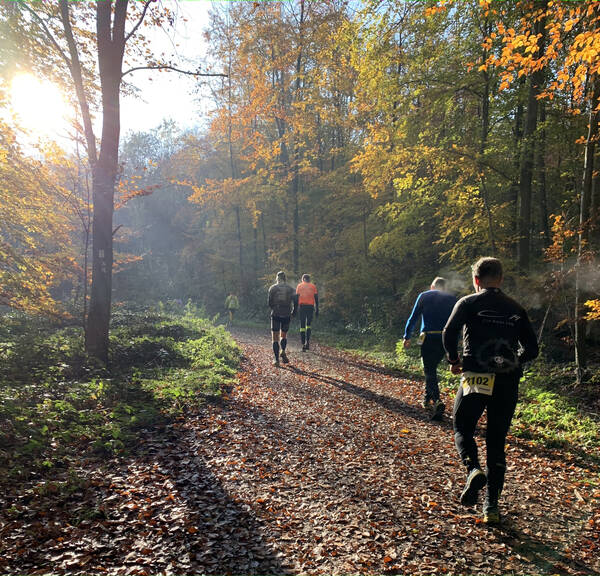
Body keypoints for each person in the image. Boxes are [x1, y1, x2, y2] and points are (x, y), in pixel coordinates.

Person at [443, 257, 538, 525]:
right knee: (497, 441)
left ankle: (473, 468)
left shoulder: (468, 302)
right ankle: (491, 507)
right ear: (501, 279)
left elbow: (449, 332)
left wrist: (454, 360)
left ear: (476, 280)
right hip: (507, 380)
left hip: (476, 375)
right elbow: (532, 348)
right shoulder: (516, 308)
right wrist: (513, 361)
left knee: (462, 426)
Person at [403, 277, 457, 419]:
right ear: (444, 287)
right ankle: (427, 399)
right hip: (445, 339)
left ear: (432, 287)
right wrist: (454, 344)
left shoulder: (424, 296)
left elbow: (413, 317)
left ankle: (437, 400)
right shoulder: (452, 299)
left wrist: (407, 336)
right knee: (431, 368)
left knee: (429, 369)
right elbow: (457, 323)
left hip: (429, 337)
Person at [268, 271, 296, 367]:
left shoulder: (272, 288)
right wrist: (294, 311)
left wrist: (274, 309)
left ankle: (276, 360)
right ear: (285, 279)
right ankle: (283, 351)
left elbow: (269, 302)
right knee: (283, 335)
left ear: (277, 278)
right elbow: (296, 300)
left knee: (275, 337)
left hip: (276, 313)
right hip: (287, 314)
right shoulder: (291, 289)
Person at [296, 274, 319, 351]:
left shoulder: (299, 286)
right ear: (309, 279)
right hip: (310, 307)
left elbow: (296, 298)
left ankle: (303, 344)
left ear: (303, 279)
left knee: (302, 326)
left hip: (302, 307)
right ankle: (307, 342)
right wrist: (317, 309)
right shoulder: (313, 286)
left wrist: (295, 309)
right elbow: (316, 298)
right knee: (308, 325)